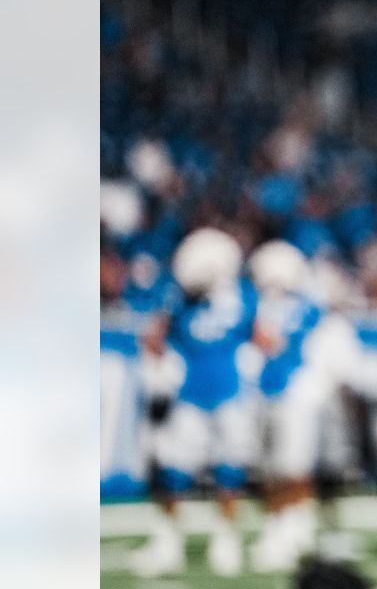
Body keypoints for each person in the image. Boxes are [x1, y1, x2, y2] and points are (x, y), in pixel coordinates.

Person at [128, 228, 258, 577]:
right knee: (174, 471)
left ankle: (227, 539)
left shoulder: (243, 296)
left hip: (230, 394)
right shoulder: (177, 297)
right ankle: (168, 542)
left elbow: (263, 338)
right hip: (188, 395)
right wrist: (165, 362)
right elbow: (152, 338)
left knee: (231, 470)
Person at [246, 240, 361, 572]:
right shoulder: (260, 304)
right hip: (268, 394)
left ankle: (296, 529)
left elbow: (284, 341)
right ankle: (280, 527)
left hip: (297, 396)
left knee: (295, 468)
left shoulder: (305, 306)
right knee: (271, 470)